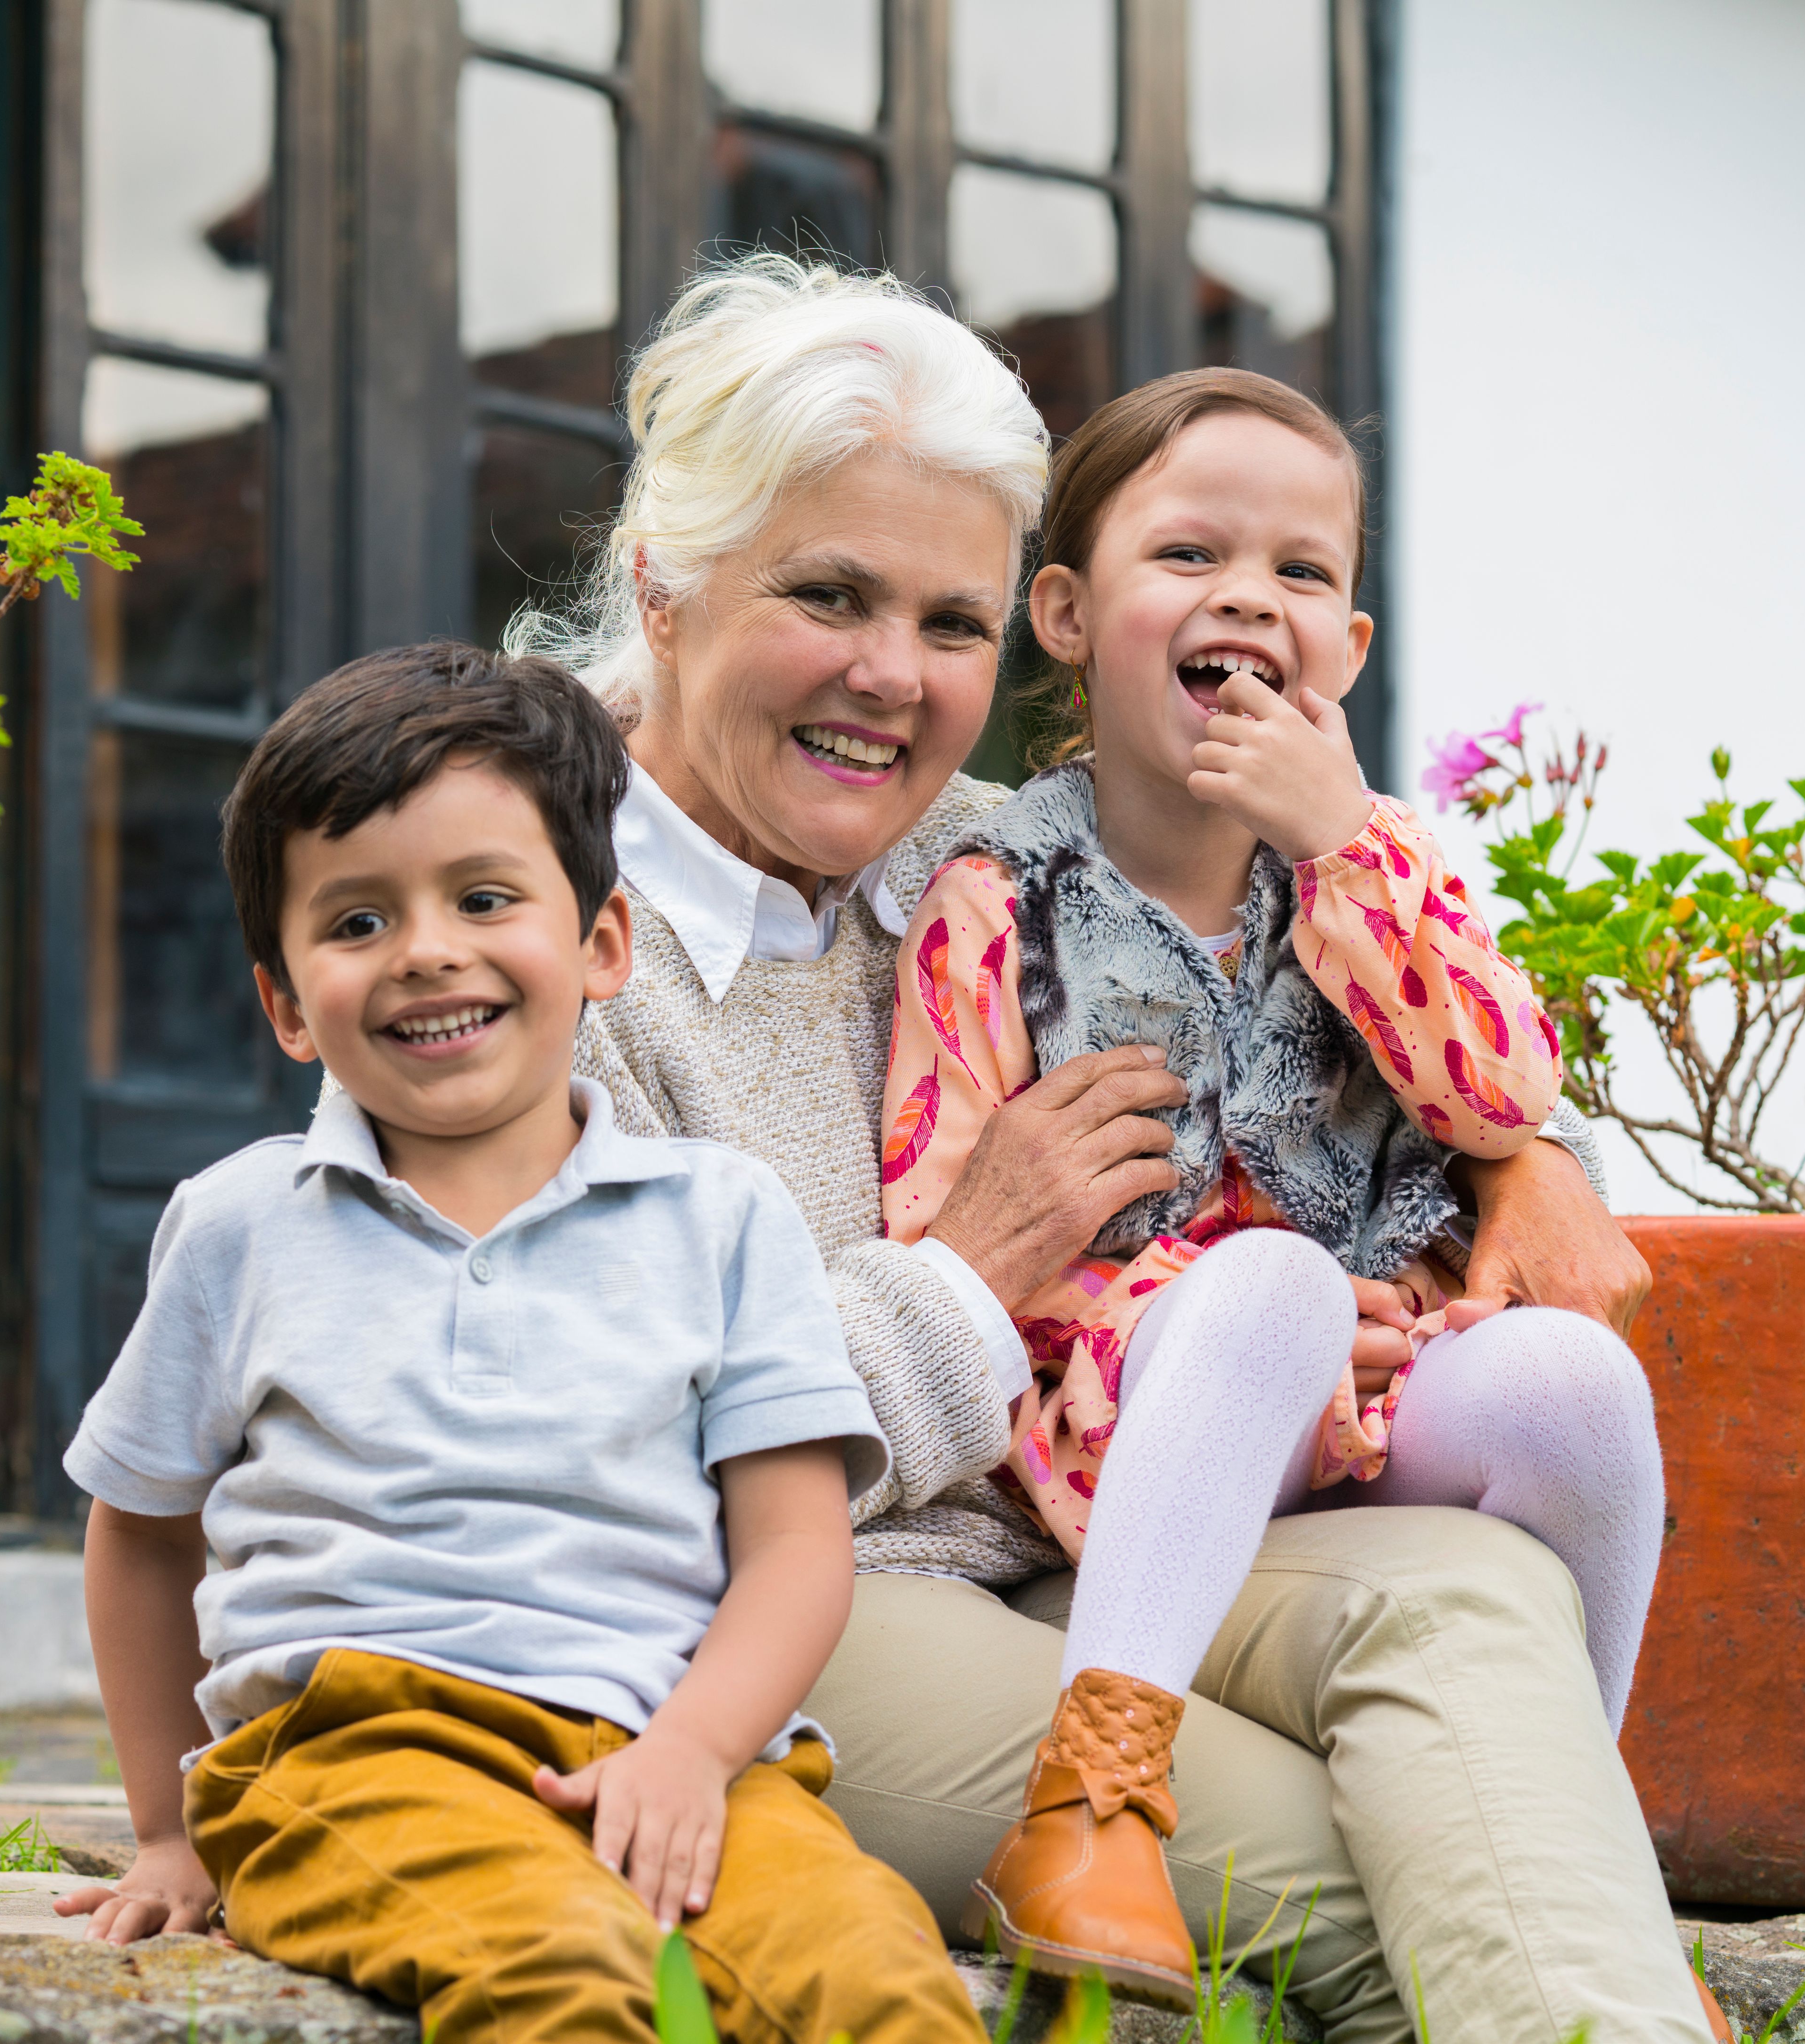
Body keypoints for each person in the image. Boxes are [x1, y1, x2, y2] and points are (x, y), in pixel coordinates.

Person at [517, 252, 1718, 2044]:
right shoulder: (516, 934)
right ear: (665, 590)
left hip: (1092, 1537)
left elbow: (1363, 1005)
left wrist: (1525, 1156)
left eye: (949, 623)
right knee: (1435, 1872)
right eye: (827, 594)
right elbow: (590, 1451)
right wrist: (964, 1270)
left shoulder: (979, 845)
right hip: (772, 1615)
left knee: (1478, 1586)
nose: (889, 679)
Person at [47, 643, 984, 2044]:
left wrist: (693, 1752)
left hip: (680, 1751)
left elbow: (799, 1547)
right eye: (356, 923)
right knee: (561, 1977)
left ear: (603, 943)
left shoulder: (723, 1218)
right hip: (355, 1753)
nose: (428, 949)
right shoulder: (241, 1226)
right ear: (288, 1005)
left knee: (878, 1979)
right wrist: (167, 1825)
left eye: (485, 898)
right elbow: (139, 1533)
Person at [879, 367, 1667, 2000]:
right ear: (1068, 614)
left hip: (1365, 1417)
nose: (1249, 595)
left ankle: (1586, 1825)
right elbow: (948, 1243)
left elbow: (1507, 1095)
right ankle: (1090, 1806)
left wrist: (1352, 849)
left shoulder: (1376, 868)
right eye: (1188, 557)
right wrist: (1253, 1316)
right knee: (1273, 1287)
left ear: (1350, 653)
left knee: (1576, 1383)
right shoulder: (994, 899)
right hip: (1126, 1422)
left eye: (1302, 573)